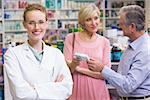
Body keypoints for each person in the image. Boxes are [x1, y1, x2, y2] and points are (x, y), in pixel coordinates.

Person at [4, 4, 73, 100]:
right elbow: (20, 93)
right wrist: (54, 87)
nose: (37, 27)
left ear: (46, 23)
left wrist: (33, 88)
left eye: (41, 22)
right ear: (24, 24)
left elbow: (67, 89)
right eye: (31, 23)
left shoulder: (56, 54)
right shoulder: (12, 54)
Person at [89, 5, 150, 100]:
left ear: (132, 27)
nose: (119, 26)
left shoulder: (145, 51)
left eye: (121, 23)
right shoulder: (132, 45)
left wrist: (102, 69)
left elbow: (128, 86)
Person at [64, 4, 111, 100]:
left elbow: (105, 74)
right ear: (82, 22)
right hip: (76, 90)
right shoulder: (71, 38)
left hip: (98, 91)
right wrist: (73, 65)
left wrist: (79, 69)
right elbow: (66, 71)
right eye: (88, 19)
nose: (94, 23)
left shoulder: (104, 42)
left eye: (96, 18)